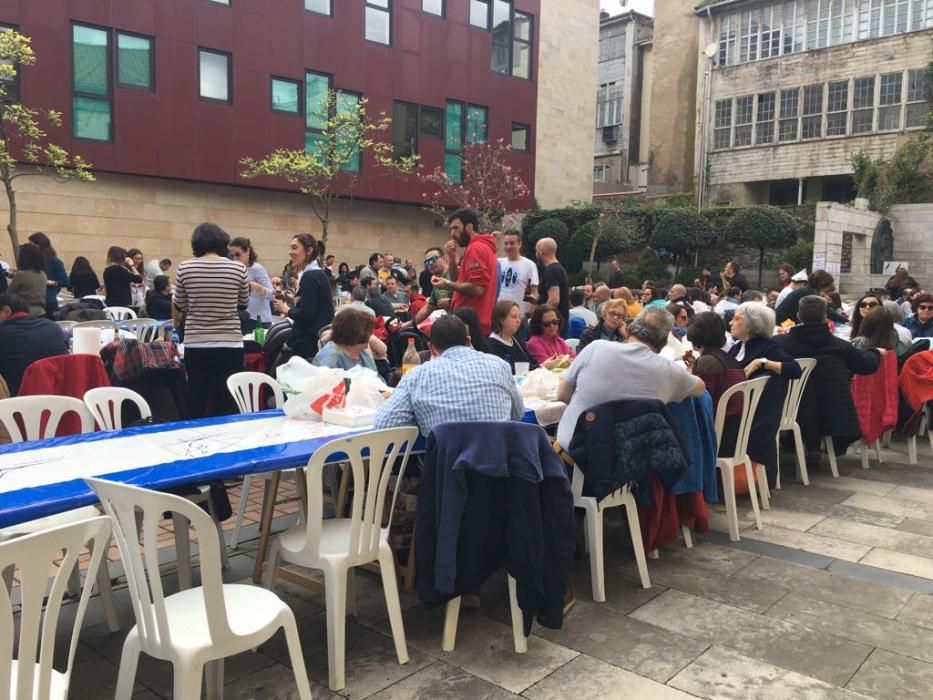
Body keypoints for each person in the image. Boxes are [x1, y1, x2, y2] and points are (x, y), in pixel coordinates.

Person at [555, 307, 706, 450]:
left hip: (573, 452)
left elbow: (562, 395)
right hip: (629, 461)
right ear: (664, 343)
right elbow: (700, 388)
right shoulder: (672, 372)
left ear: (628, 330)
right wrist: (690, 370)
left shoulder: (596, 348)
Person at [774, 295, 882, 465]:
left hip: (787, 409)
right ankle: (812, 446)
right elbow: (866, 367)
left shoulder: (779, 344)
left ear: (798, 316)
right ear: (825, 316)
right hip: (832, 409)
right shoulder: (840, 345)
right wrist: (872, 350)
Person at [374, 315, 524, 436]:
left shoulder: (417, 376)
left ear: (431, 349)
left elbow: (384, 423)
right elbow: (517, 414)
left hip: (448, 469)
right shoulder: (500, 366)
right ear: (468, 342)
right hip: (499, 466)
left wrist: (419, 415)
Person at [173, 223, 249, 418]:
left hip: (197, 343)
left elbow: (179, 304)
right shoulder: (238, 269)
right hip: (230, 343)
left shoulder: (185, 268)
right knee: (227, 400)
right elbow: (243, 303)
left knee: (197, 397)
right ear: (222, 241)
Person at [728, 301, 802, 487]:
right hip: (742, 407)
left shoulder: (766, 347)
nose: (731, 322)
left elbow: (795, 369)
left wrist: (763, 362)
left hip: (753, 415)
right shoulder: (737, 347)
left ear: (752, 324)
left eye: (737, 319)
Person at [433, 208, 498, 335]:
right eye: (451, 229)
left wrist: (446, 284)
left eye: (456, 228)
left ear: (469, 227)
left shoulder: (476, 248)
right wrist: (451, 257)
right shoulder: (476, 247)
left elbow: (477, 288)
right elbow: (457, 280)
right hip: (471, 324)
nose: (452, 233)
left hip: (470, 327)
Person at [274, 233, 334, 359]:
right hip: (314, 340)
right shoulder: (318, 274)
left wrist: (286, 309)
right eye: (290, 248)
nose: (290, 252)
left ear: (309, 251)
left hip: (307, 344)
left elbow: (306, 314)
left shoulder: (310, 276)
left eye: (295, 248)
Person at [0, 293, 68, 395]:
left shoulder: (3, 333)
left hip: (18, 400)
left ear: (7, 311)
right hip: (61, 395)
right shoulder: (53, 327)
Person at [313, 308, 379, 371]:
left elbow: (376, 377)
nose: (371, 334)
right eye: (369, 331)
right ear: (357, 333)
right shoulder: (329, 360)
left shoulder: (362, 352)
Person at [230, 237, 274, 331]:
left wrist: (258, 288)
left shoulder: (257, 269)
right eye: (232, 256)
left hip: (259, 320)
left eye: (238, 254)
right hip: (243, 317)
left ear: (247, 252)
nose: (235, 259)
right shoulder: (234, 269)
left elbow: (272, 295)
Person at [775, 269, 842, 325]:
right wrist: (845, 321)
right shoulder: (809, 293)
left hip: (783, 321)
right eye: (828, 286)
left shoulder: (807, 290)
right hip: (781, 323)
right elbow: (826, 311)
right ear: (823, 284)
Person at [497, 229, 538, 319]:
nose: (508, 246)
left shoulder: (529, 265)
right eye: (506, 243)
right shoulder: (498, 263)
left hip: (519, 318)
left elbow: (534, 293)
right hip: (500, 317)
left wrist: (528, 316)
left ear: (519, 244)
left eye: (512, 243)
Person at [485, 300, 535, 373]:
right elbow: (507, 371)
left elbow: (531, 363)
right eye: (514, 317)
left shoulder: (517, 341)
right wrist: (542, 366)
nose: (518, 320)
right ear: (501, 320)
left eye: (519, 317)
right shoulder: (491, 345)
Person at [27, 232, 67, 317]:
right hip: (33, 302)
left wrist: (49, 282)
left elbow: (65, 281)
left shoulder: (54, 261)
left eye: (31, 245)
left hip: (48, 300)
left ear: (39, 245)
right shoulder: (31, 262)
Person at [535, 237, 570, 332]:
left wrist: (539, 319)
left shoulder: (551, 271)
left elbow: (554, 300)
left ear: (541, 250)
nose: (536, 253)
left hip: (550, 327)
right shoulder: (559, 269)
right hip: (558, 324)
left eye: (536, 249)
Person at [526, 304, 575, 368]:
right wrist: (563, 361)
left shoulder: (560, 340)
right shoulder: (534, 343)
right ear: (538, 325)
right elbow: (546, 365)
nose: (552, 326)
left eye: (555, 322)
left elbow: (574, 360)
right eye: (547, 324)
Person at [9, 243, 49, 317]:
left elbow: (10, 293)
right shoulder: (43, 274)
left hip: (24, 313)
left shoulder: (21, 274)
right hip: (41, 311)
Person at [414, 247, 450, 323]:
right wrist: (408, 324)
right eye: (427, 262)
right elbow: (427, 309)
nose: (430, 264)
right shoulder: (437, 281)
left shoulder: (455, 274)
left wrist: (451, 302)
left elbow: (474, 292)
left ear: (443, 258)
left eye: (433, 259)